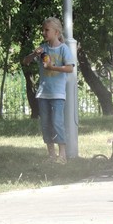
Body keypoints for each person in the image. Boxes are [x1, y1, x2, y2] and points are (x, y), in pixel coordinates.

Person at [22, 17, 75, 165]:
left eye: (47, 30)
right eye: (43, 30)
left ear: (56, 32)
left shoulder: (63, 48)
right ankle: (51, 155)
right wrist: (34, 54)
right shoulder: (42, 48)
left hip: (58, 94)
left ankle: (62, 155)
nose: (44, 32)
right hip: (43, 93)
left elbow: (70, 68)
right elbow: (25, 61)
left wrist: (53, 67)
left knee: (57, 122)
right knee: (45, 124)